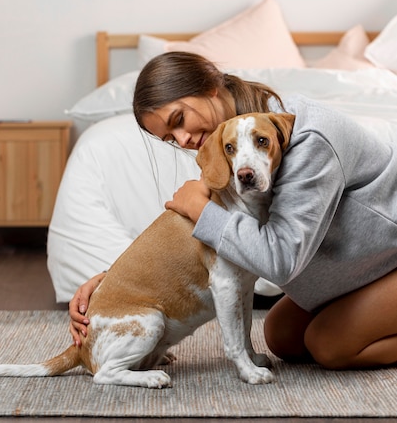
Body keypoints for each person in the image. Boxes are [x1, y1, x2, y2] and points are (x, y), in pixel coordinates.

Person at [69, 51, 397, 370]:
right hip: (354, 270)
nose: (182, 140)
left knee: (330, 346)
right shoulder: (233, 157)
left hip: (387, 261)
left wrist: (202, 210)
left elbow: (280, 258)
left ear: (210, 87)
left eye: (179, 119)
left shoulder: (309, 140)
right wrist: (114, 284)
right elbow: (189, 239)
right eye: (170, 138)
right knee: (282, 337)